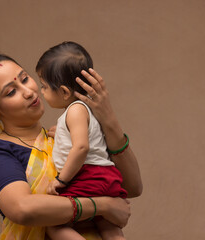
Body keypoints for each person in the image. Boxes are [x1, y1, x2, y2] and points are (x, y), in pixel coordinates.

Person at [0, 52, 142, 239]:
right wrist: (102, 206)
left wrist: (109, 119)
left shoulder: (61, 140)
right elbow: (22, 208)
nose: (28, 91)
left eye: (24, 79)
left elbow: (132, 187)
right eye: (11, 91)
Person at [36, 41, 128, 240]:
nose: (41, 92)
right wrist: (59, 135)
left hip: (88, 176)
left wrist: (62, 180)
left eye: (44, 87)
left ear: (64, 92)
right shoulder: (84, 111)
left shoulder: (75, 110)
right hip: (106, 177)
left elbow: (81, 147)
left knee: (54, 224)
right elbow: (80, 139)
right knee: (108, 226)